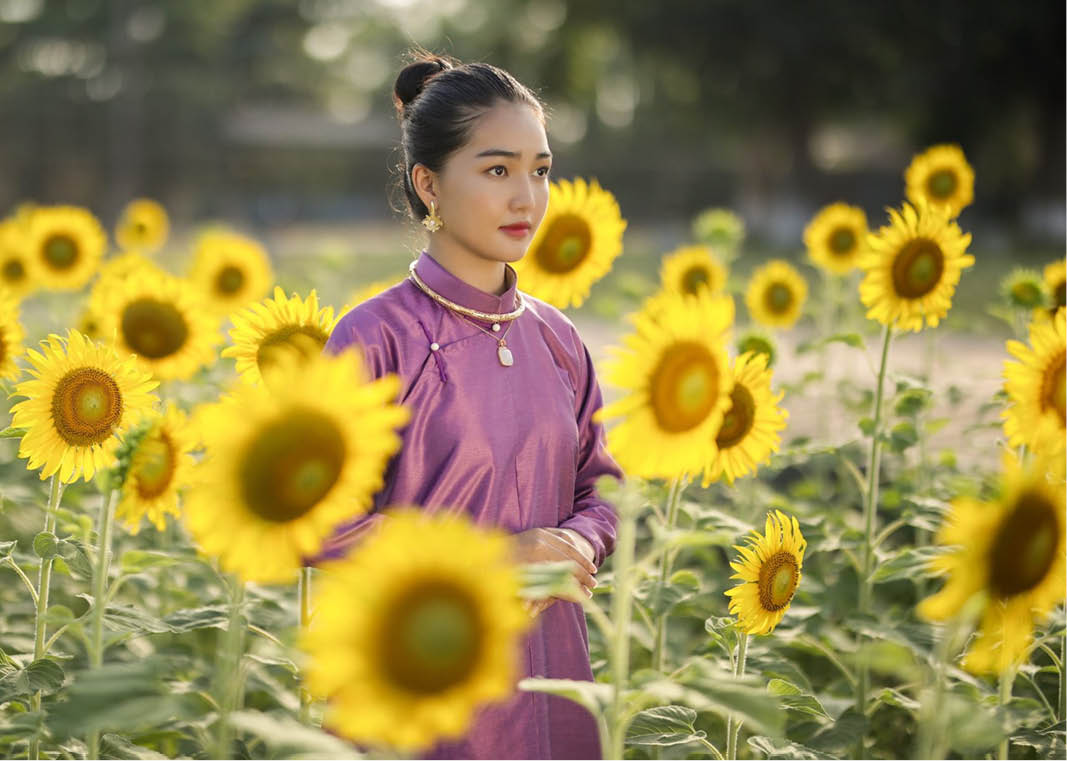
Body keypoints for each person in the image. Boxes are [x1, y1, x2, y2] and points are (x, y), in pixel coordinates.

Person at [302, 50, 625, 760]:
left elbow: (602, 489)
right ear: (429, 184)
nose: (527, 198)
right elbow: (322, 525)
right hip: (419, 686)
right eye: (496, 169)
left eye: (539, 170)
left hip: (551, 679)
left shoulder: (558, 338)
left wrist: (576, 541)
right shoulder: (374, 336)